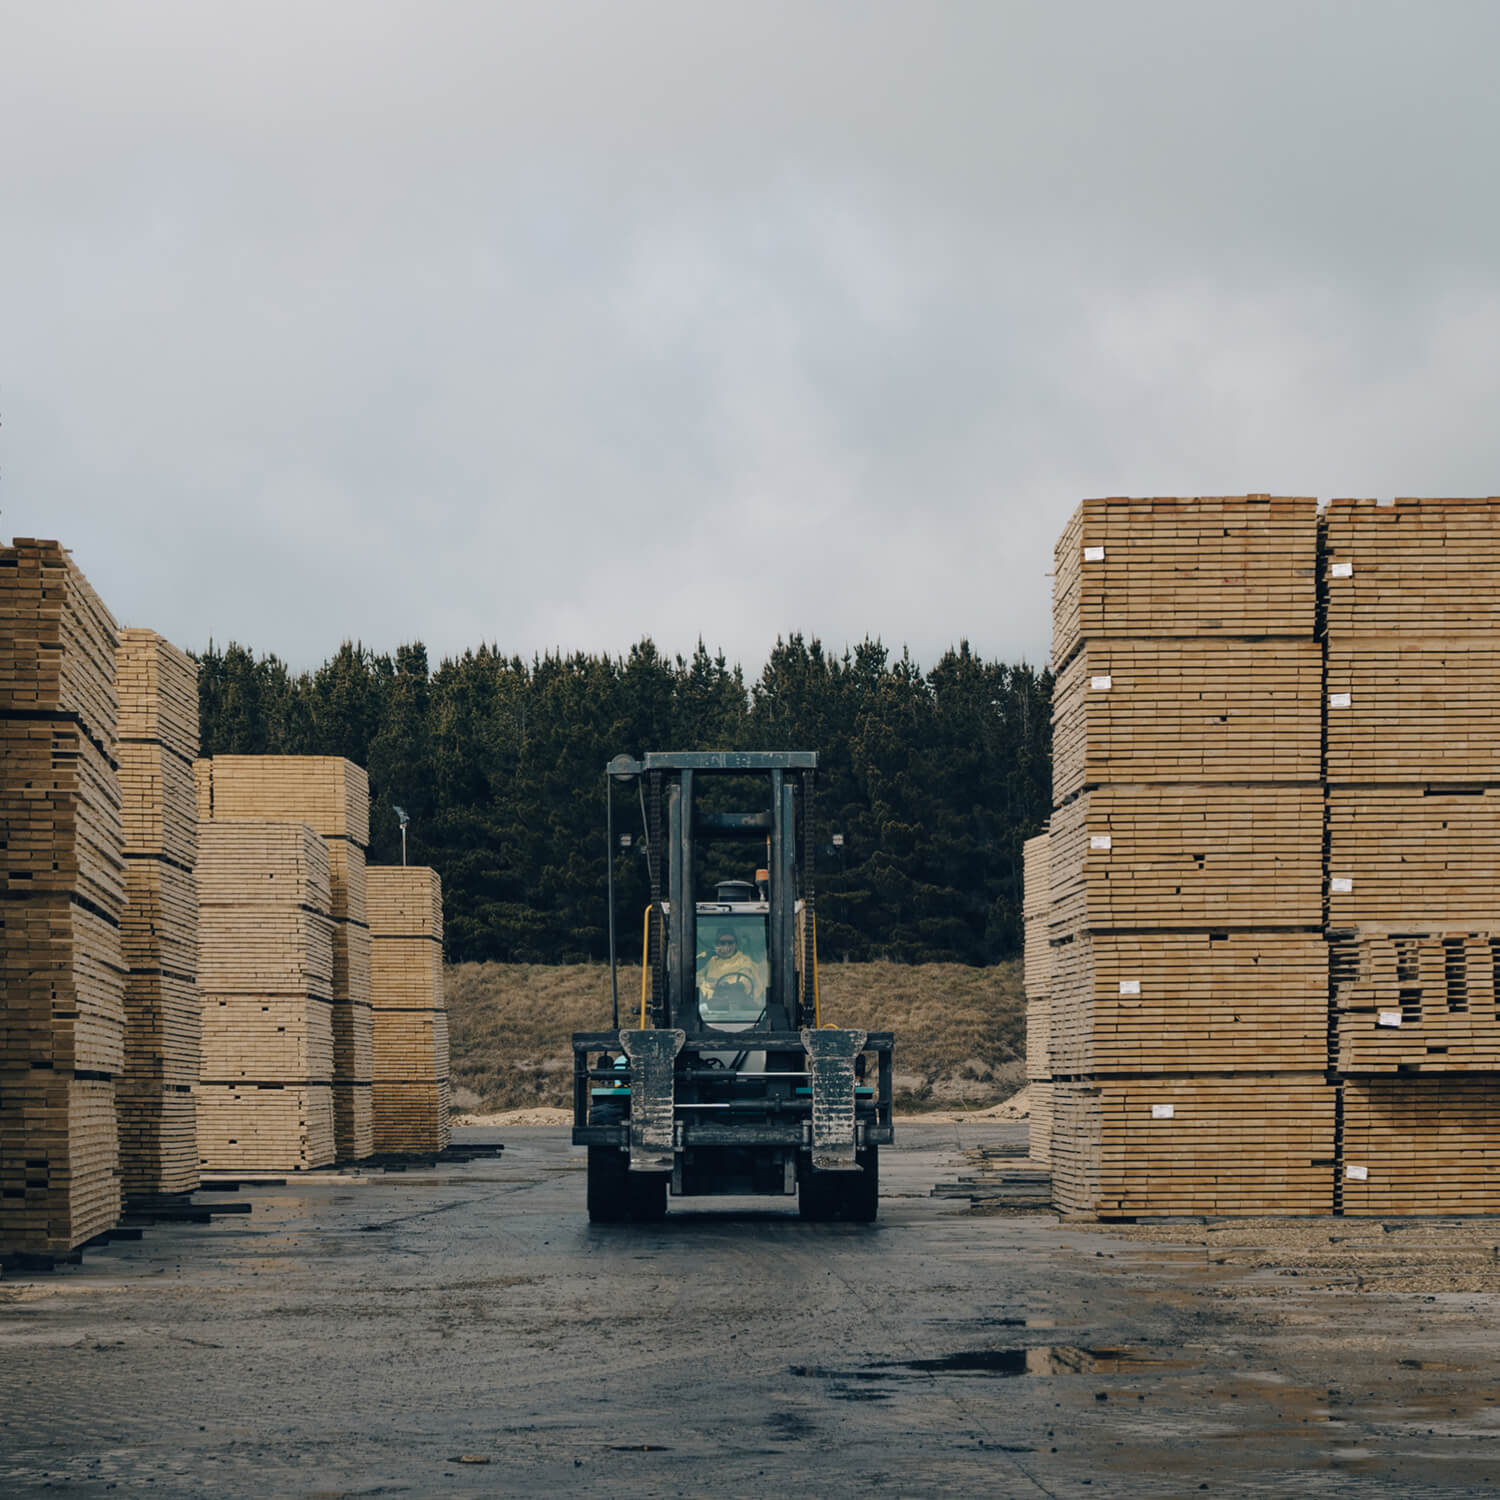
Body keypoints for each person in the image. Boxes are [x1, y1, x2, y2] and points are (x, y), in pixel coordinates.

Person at [698, 927, 763, 1010]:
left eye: (730, 943)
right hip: (709, 1006)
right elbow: (695, 976)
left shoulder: (744, 960)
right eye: (722, 943)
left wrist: (722, 984)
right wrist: (707, 983)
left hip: (737, 1005)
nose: (727, 946)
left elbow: (744, 982)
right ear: (717, 945)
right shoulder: (711, 960)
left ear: (735, 944)